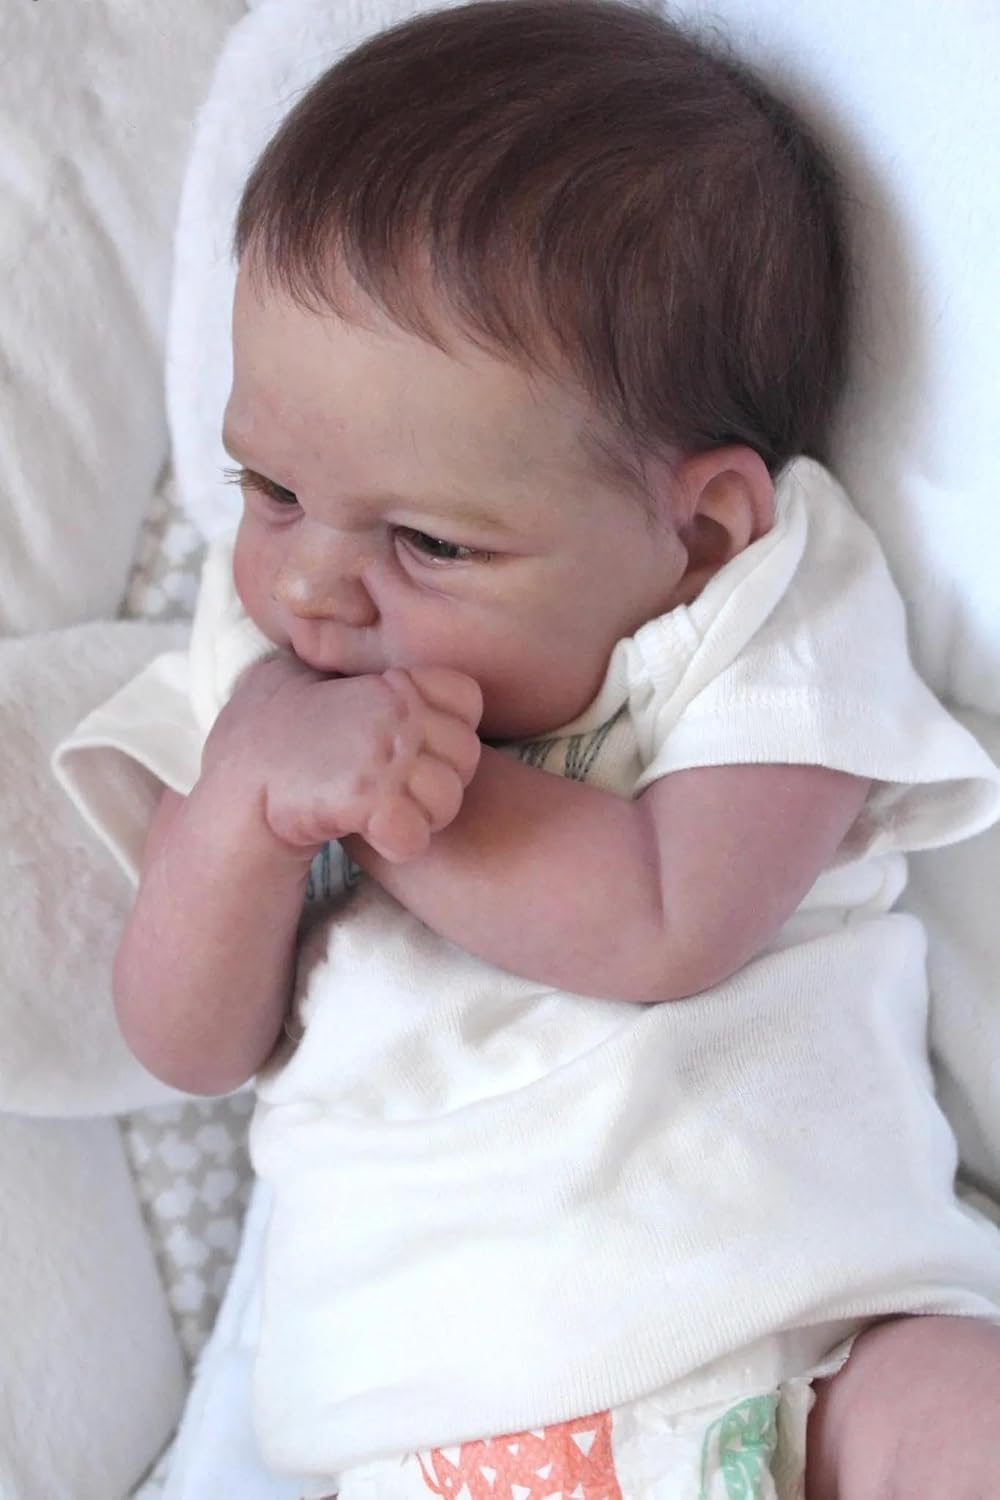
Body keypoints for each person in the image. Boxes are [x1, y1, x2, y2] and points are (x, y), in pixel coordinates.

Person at [56, 2, 1000, 1495]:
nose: (312, 583)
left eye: (429, 542)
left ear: (700, 529)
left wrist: (409, 806)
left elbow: (673, 920)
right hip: (440, 1432)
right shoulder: (269, 693)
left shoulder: (761, 609)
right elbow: (188, 1043)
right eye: (270, 490)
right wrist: (240, 816)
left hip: (817, 1343)